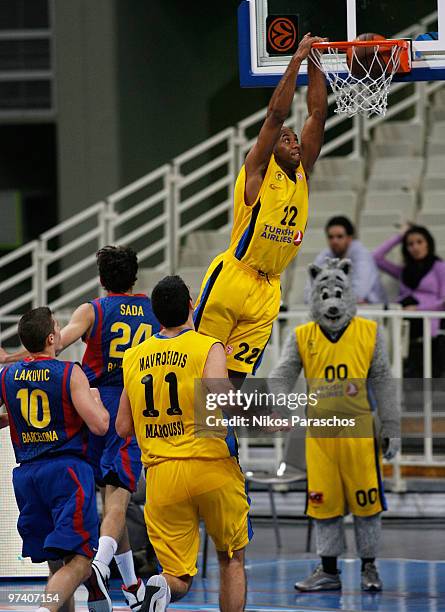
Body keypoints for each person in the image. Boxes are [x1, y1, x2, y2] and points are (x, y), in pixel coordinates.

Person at [0, 245, 161, 612]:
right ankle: (103, 571)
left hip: (86, 404)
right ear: (134, 276)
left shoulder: (93, 310)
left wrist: (10, 357)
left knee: (91, 513)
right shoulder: (153, 310)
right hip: (126, 409)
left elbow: (59, 342)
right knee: (114, 503)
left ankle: (129, 584)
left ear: (102, 279)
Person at [194, 34, 328, 385]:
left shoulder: (302, 174)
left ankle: (224, 438)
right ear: (271, 149)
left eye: (295, 138)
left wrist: (317, 64)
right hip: (235, 277)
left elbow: (317, 113)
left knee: (233, 381)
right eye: (286, 139)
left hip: (269, 289)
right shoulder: (256, 172)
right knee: (199, 370)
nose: (294, 141)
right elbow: (276, 114)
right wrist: (297, 59)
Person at [117, 275, 253, 612]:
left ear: (155, 314)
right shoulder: (208, 346)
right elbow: (221, 395)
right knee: (231, 560)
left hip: (162, 476)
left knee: (176, 575)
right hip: (211, 467)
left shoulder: (134, 356)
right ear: (192, 304)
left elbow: (122, 427)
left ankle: (161, 587)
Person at [269, 259, 400, 592]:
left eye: (338, 293)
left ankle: (370, 568)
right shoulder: (302, 336)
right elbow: (280, 377)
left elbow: (383, 381)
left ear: (348, 294)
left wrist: (392, 426)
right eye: (325, 293)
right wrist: (286, 407)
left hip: (360, 436)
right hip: (321, 438)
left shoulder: (369, 332)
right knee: (323, 506)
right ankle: (328, 571)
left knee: (368, 506)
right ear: (314, 294)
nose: (332, 301)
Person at [0, 307, 109, 612]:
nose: (61, 331)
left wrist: (11, 418)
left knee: (55, 560)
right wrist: (99, 403)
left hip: (28, 476)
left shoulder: (7, 375)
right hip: (66, 472)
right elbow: (99, 425)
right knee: (81, 558)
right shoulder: (69, 372)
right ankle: (43, 609)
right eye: (58, 327)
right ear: (51, 338)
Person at [374, 224, 445, 377]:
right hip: (407, 327)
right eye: (410, 244)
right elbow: (376, 257)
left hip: (430, 326)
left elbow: (443, 301)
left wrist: (419, 310)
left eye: (420, 242)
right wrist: (401, 236)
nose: (415, 247)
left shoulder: (439, 267)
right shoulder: (404, 271)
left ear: (428, 243)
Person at [304, 216, 385, 304]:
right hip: (338, 308)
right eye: (331, 237)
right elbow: (309, 292)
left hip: (372, 309)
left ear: (350, 238)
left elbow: (359, 292)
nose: (335, 241)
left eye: (340, 237)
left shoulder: (362, 255)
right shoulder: (325, 255)